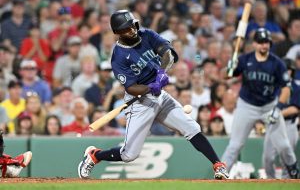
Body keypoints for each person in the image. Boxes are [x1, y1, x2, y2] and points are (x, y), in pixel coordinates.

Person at [78, 9, 229, 180]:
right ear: (117, 33)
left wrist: (161, 73)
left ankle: (219, 165)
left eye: (132, 25)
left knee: (191, 128)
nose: (132, 30)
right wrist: (151, 87)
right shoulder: (118, 57)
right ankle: (95, 156)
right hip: (139, 102)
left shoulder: (147, 35)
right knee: (129, 154)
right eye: (127, 28)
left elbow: (167, 52)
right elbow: (131, 88)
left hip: (160, 94)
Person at [222, 28, 299, 179]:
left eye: (267, 42)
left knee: (284, 145)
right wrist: (229, 68)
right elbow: (226, 76)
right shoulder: (245, 59)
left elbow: (286, 88)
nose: (264, 45)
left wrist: (278, 109)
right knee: (235, 145)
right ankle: (221, 173)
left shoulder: (277, 63)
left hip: (268, 106)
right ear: (255, 44)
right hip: (247, 105)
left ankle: (294, 171)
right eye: (261, 42)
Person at [263, 58, 300, 178]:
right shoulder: (273, 86)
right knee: (267, 158)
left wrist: (276, 113)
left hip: (289, 124)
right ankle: (271, 181)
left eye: (288, 70)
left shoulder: (296, 87)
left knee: (286, 159)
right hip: (273, 125)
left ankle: (288, 183)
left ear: (292, 71)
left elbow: (295, 108)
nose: (285, 72)